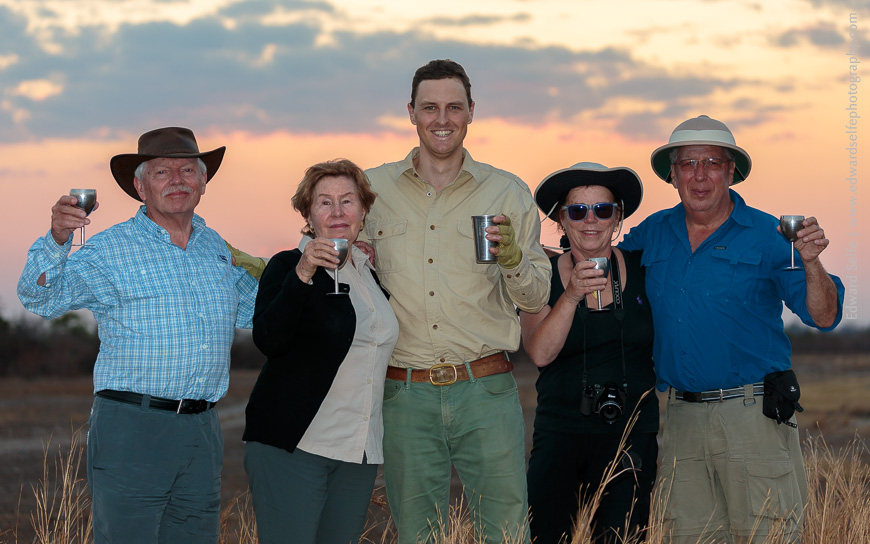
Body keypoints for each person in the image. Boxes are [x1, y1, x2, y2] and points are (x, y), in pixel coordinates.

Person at [17, 127, 259, 544]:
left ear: (203, 182)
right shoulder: (111, 249)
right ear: (139, 186)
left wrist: (313, 263)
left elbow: (260, 311)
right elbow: (40, 299)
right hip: (133, 427)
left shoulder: (216, 248)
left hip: (202, 429)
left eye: (187, 170)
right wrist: (58, 239)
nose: (177, 180)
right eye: (163, 172)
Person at [619, 114, 845, 544]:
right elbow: (602, 268)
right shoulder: (653, 233)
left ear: (731, 173)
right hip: (681, 421)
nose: (699, 175)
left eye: (712, 163)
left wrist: (812, 262)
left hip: (753, 420)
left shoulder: (769, 234)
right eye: (688, 164)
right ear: (672, 174)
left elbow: (823, 315)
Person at [363, 59, 551, 543]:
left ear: (471, 112)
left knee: (506, 532)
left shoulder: (506, 191)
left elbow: (535, 295)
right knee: (416, 534)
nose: (441, 119)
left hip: (485, 390)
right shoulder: (371, 190)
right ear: (410, 112)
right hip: (404, 394)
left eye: (453, 107)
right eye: (429, 107)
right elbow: (327, 251)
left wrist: (512, 259)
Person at [242, 159, 399, 544]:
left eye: (348, 201)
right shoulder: (286, 267)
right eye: (325, 202)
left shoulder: (368, 271)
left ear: (363, 210)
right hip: (296, 446)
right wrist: (304, 274)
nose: (338, 211)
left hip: (358, 450)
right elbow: (269, 339)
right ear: (308, 214)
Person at [521, 163, 658, 544]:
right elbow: (540, 353)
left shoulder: (645, 268)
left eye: (603, 209)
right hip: (561, 431)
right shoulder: (541, 275)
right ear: (561, 220)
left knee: (622, 537)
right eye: (577, 211)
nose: (590, 220)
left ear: (617, 217)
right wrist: (571, 295)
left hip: (631, 433)